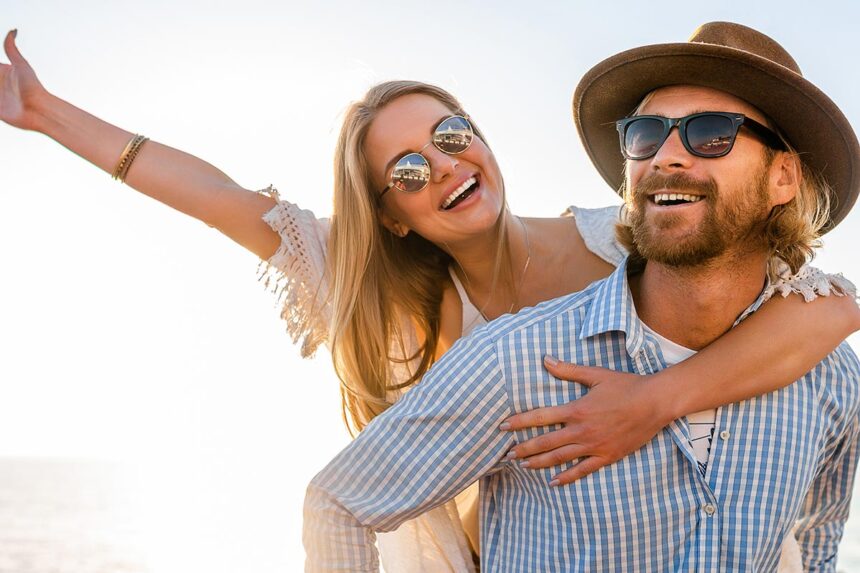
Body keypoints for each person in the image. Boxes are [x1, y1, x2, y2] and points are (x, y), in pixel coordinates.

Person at [0, 25, 856, 572]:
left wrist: (651, 400)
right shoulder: (402, 302)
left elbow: (830, 310)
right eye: (408, 169)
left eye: (452, 135)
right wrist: (47, 113)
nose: (444, 166)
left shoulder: (617, 236)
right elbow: (214, 195)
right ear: (389, 214)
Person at [302, 21, 860, 571]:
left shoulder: (830, 375)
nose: (666, 156)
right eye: (646, 134)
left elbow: (818, 539)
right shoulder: (515, 360)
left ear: (784, 177)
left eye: (712, 133)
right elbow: (340, 503)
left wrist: (656, 399)